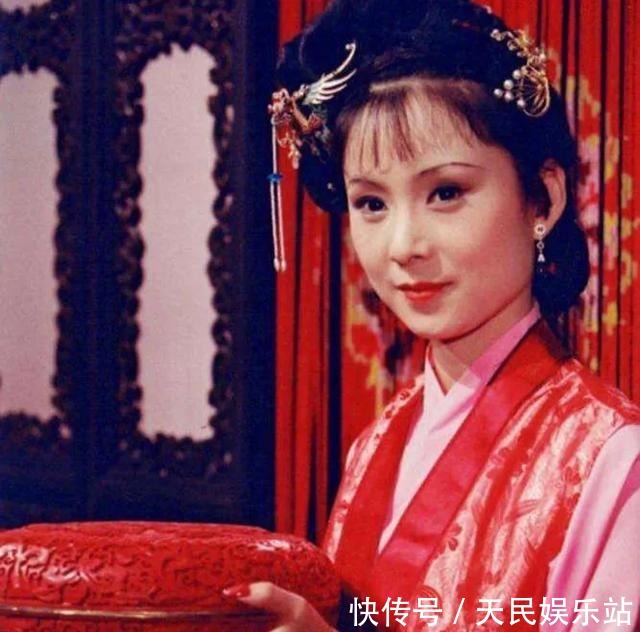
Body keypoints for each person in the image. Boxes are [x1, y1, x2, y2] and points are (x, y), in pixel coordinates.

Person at [222, 0, 640, 629]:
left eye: (446, 192)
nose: (403, 246)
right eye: (371, 203)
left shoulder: (610, 459)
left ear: (543, 199)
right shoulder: (375, 445)